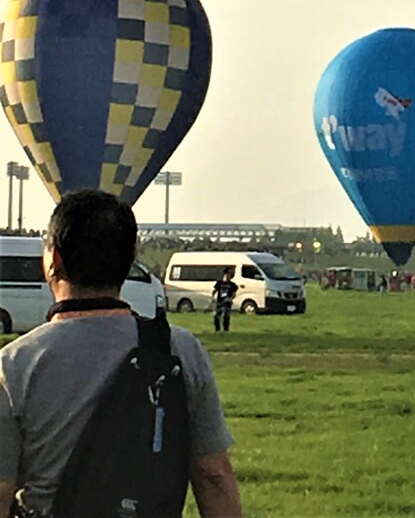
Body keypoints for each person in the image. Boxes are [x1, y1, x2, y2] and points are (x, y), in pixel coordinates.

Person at [0, 189, 242, 518]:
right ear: (130, 261)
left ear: (53, 261)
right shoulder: (180, 350)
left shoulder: (15, 364)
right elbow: (213, 475)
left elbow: (1, 491)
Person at [212, 267, 239, 333]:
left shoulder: (233, 285)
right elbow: (214, 291)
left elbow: (234, 294)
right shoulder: (219, 283)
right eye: (227, 274)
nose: (228, 276)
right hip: (219, 302)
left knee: (226, 315)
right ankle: (217, 329)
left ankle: (226, 330)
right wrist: (213, 298)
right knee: (216, 315)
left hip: (227, 303)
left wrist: (230, 299)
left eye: (230, 275)